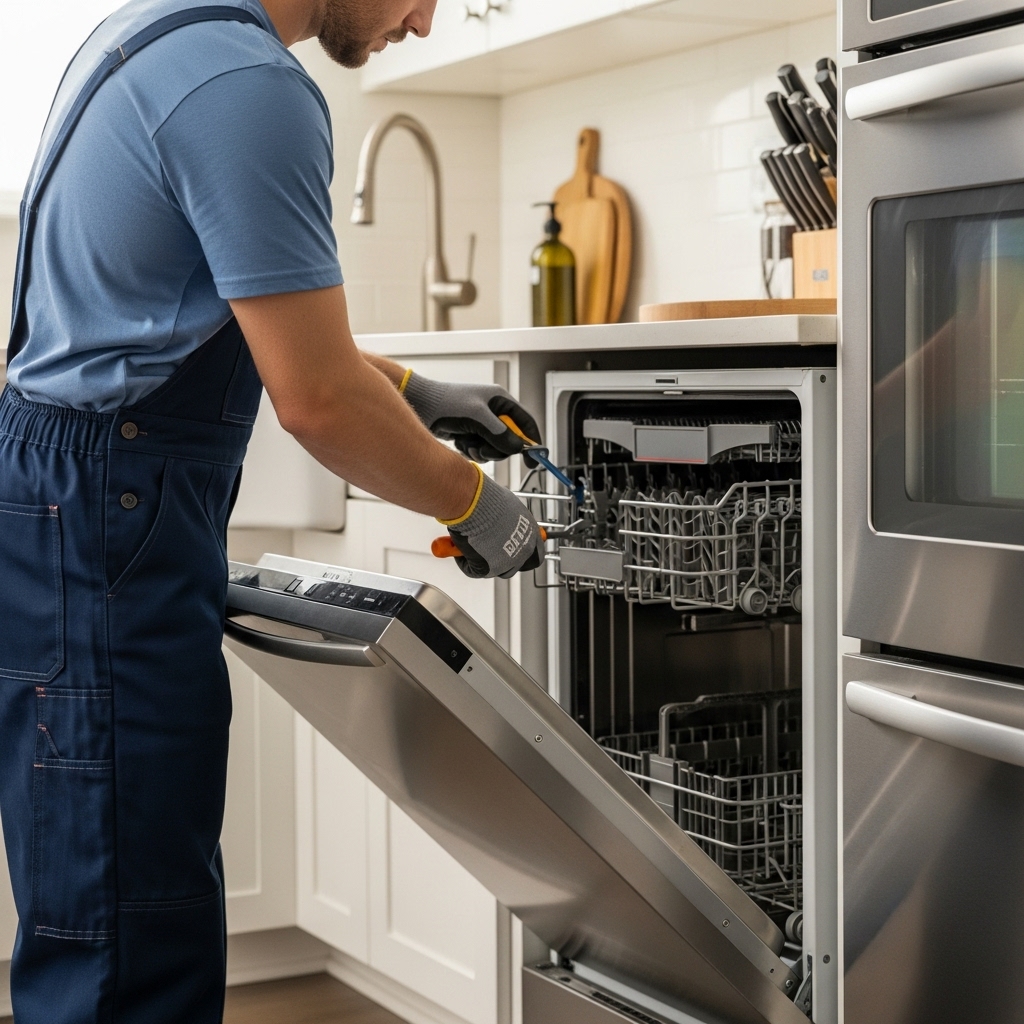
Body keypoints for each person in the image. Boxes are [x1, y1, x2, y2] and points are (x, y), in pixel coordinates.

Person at [0, 0, 543, 1020]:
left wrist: (417, 391)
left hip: (64, 501)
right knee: (129, 945)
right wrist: (476, 504)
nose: (425, 22)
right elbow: (319, 401)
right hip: (108, 515)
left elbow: (234, 313)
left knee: (97, 906)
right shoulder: (248, 87)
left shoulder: (156, 32)